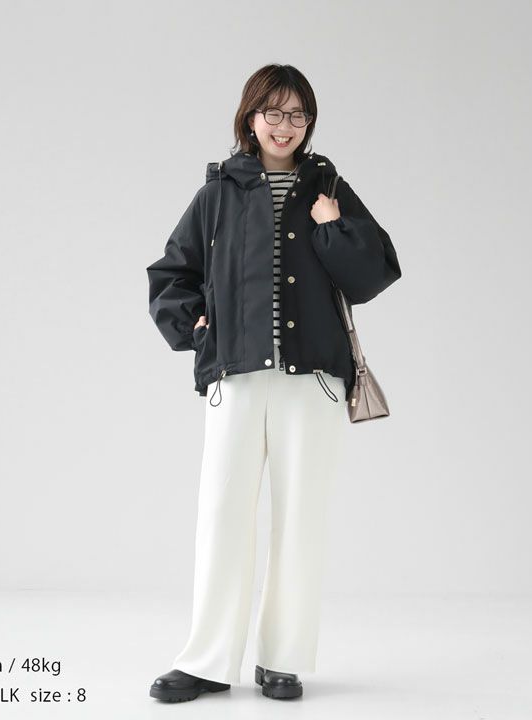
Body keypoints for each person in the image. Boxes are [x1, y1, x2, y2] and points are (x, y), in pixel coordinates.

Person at [146, 64, 402, 703]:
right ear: (250, 117)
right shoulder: (218, 193)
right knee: (222, 515)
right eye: (274, 112)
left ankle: (282, 659)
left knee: (300, 519)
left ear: (309, 122)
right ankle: (208, 661)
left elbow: (373, 274)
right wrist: (195, 326)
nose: (285, 126)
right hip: (234, 374)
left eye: (297, 115)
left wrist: (332, 225)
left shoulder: (328, 185)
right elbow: (171, 273)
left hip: (312, 379)